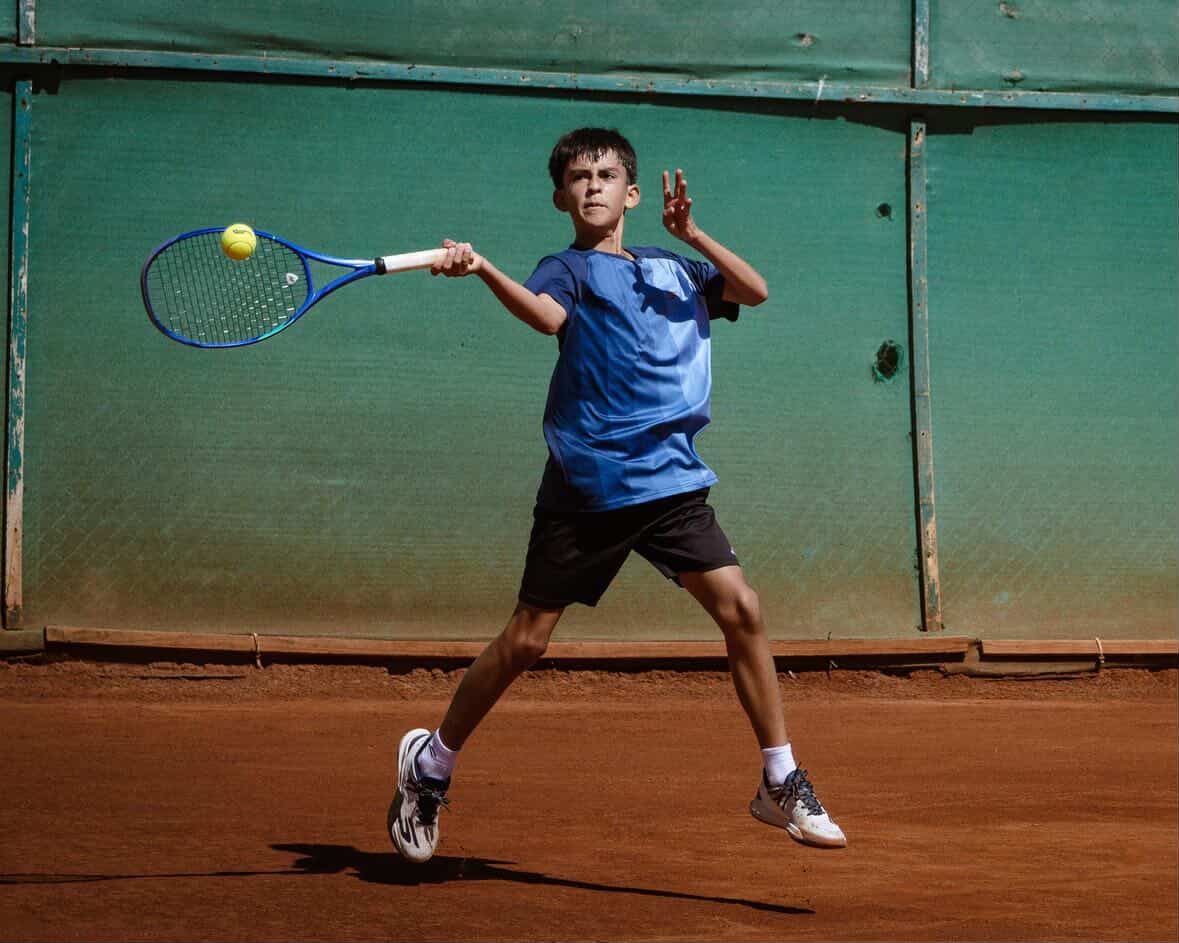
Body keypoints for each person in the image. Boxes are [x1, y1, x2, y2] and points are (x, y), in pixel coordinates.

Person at [387, 127, 846, 864]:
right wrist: (482, 268)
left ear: (631, 193)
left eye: (605, 175)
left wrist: (692, 234)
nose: (592, 186)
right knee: (527, 641)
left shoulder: (674, 267)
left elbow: (753, 291)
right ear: (561, 198)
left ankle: (779, 779)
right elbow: (545, 315)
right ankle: (431, 762)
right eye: (579, 177)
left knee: (742, 608)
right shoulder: (565, 269)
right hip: (590, 483)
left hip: (670, 480)